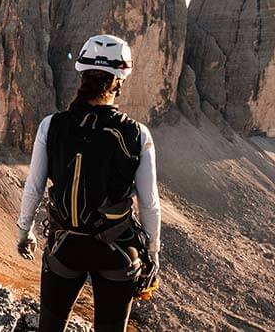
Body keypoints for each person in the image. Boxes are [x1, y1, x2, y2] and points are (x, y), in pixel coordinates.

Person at [15, 34, 161, 331]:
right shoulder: (137, 134)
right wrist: (153, 253)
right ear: (119, 80)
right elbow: (149, 204)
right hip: (117, 251)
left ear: (81, 72)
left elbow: (34, 186)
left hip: (65, 246)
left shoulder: (51, 125)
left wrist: (24, 231)